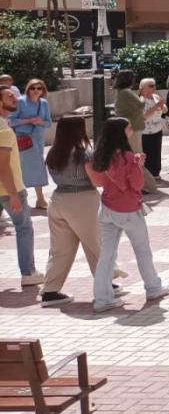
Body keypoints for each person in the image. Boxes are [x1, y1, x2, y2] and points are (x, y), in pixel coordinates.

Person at [87, 117, 168, 312]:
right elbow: (137, 184)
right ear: (121, 133)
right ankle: (153, 287)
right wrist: (138, 165)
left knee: (107, 254)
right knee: (142, 250)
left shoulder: (100, 155)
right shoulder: (128, 156)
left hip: (107, 207)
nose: (131, 130)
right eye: (129, 128)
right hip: (129, 209)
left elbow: (98, 181)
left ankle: (102, 298)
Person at [38, 117, 113, 307]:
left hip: (58, 200)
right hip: (83, 200)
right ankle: (105, 283)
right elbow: (96, 181)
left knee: (60, 249)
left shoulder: (53, 153)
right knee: (95, 243)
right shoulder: (84, 153)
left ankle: (50, 291)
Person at [0, 85, 39, 288]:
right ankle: (29, 272)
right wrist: (14, 194)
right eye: (9, 97)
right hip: (9, 189)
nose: (15, 99)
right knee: (24, 228)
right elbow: (3, 167)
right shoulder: (4, 130)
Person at [11, 79, 52, 210]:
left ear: (43, 90)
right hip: (24, 140)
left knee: (38, 168)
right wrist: (28, 120)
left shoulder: (44, 103)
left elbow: (49, 123)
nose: (36, 91)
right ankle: (29, 198)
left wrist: (40, 122)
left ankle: (40, 199)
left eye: (39, 88)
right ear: (28, 89)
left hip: (38, 140)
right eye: (33, 88)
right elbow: (11, 121)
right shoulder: (21, 102)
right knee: (24, 169)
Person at [138, 77, 166, 178]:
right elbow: (144, 116)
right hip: (145, 131)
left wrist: (162, 106)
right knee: (147, 152)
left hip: (157, 129)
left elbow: (165, 110)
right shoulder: (141, 100)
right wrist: (157, 106)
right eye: (150, 85)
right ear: (143, 88)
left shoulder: (156, 97)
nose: (153, 87)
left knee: (156, 152)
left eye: (154, 85)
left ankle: (156, 173)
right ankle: (148, 175)